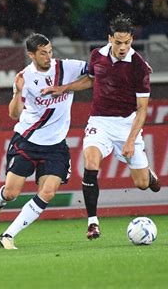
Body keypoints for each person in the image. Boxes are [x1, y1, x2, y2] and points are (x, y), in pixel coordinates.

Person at [42, 15, 161, 240]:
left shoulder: (139, 67)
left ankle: (148, 174)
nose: (122, 47)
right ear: (110, 39)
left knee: (143, 184)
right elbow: (91, 80)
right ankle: (92, 223)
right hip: (100, 122)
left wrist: (129, 140)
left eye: (126, 42)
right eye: (118, 42)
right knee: (91, 161)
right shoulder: (97, 55)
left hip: (127, 123)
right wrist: (64, 88)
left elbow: (142, 109)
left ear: (132, 40)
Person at [0, 33, 89, 249]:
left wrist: (65, 87)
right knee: (12, 192)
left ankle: (8, 235)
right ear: (31, 54)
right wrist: (19, 92)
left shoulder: (66, 68)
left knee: (48, 192)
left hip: (56, 145)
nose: (48, 57)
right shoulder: (25, 77)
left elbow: (97, 70)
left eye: (50, 51)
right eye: (42, 53)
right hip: (27, 141)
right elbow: (14, 113)